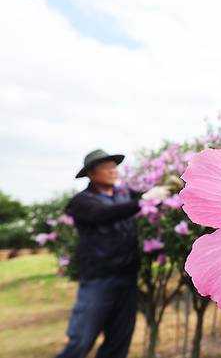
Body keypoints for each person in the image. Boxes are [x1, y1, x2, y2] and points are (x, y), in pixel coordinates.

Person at [54, 149, 164, 358]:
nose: (112, 170)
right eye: (105, 167)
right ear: (91, 174)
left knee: (119, 342)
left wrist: (162, 191)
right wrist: (142, 201)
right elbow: (103, 214)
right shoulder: (82, 201)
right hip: (99, 280)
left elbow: (141, 198)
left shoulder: (123, 193)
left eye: (114, 166)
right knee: (81, 341)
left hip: (127, 277)